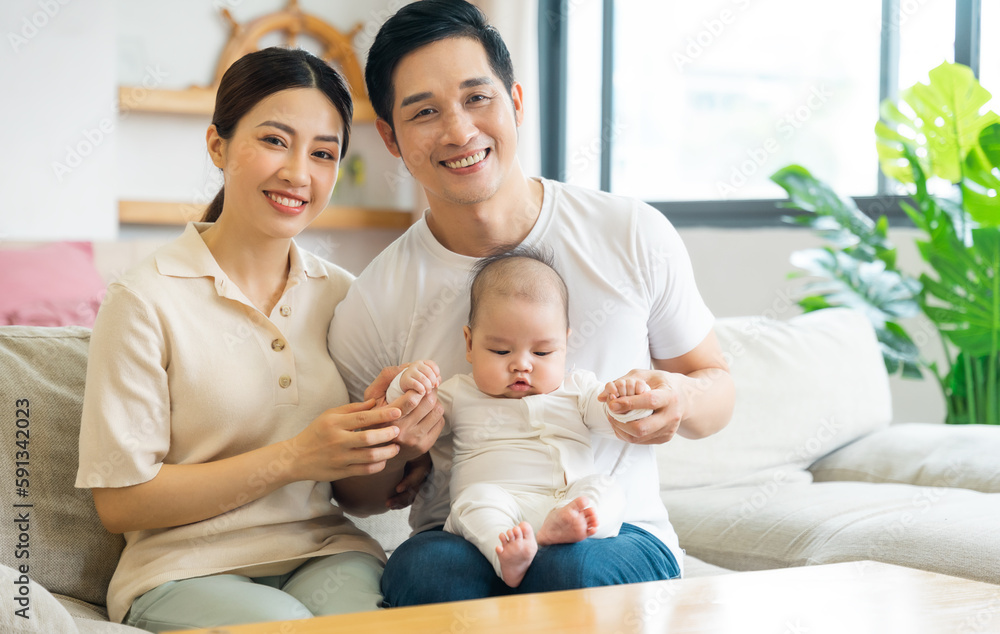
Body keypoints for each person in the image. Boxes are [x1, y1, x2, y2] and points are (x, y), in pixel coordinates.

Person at [329, 0, 735, 606]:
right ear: (389, 136)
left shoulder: (629, 232)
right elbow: (355, 496)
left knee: (571, 571)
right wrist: (400, 445)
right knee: (428, 574)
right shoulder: (375, 298)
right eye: (424, 113)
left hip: (614, 533)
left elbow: (717, 388)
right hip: (465, 532)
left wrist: (680, 397)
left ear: (515, 101)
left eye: (477, 98)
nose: (460, 131)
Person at [75, 47, 439, 632]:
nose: (299, 173)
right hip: (183, 569)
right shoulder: (143, 300)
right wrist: (294, 457)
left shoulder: (347, 297)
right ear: (218, 146)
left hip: (327, 551)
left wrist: (393, 444)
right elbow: (121, 503)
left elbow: (362, 500)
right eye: (275, 140)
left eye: (324, 154)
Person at [386, 248, 654, 588]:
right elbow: (407, 413)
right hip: (499, 504)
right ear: (469, 345)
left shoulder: (578, 390)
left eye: (542, 352)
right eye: (501, 351)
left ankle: (577, 527)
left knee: (606, 489)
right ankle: (506, 554)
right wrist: (406, 382)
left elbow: (617, 418)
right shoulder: (462, 394)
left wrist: (629, 399)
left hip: (568, 502)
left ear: (565, 346)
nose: (522, 365)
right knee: (473, 501)